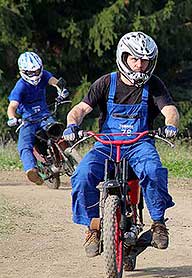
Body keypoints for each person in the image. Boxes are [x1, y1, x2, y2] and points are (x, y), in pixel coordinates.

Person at [63, 31, 180, 258]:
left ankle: (158, 224)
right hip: (106, 144)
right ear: (123, 57)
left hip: (139, 143)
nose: (139, 65)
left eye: (145, 60)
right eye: (134, 59)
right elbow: (79, 110)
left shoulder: (154, 84)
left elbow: (170, 110)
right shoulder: (106, 83)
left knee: (153, 170)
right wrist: (71, 125)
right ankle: (93, 229)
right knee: (81, 174)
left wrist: (171, 125)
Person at [7, 51, 69, 185]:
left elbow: (54, 82)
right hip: (27, 120)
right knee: (24, 145)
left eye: (37, 71)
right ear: (23, 72)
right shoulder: (20, 86)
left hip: (44, 115)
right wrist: (12, 118)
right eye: (31, 73)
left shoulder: (44, 75)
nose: (35, 75)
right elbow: (12, 106)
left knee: (58, 131)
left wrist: (61, 89)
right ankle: (31, 170)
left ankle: (67, 154)